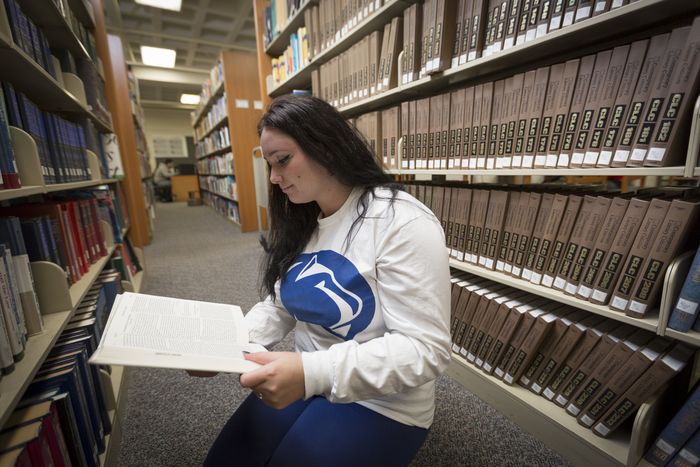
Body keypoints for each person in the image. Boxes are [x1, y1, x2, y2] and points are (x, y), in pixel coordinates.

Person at [201, 95, 451, 467]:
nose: (273, 177)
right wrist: (231, 343)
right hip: (306, 377)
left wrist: (311, 372)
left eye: (282, 160)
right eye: (269, 164)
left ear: (326, 146)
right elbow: (281, 302)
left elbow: (424, 350)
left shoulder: (402, 222)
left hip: (382, 401)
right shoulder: (302, 219)